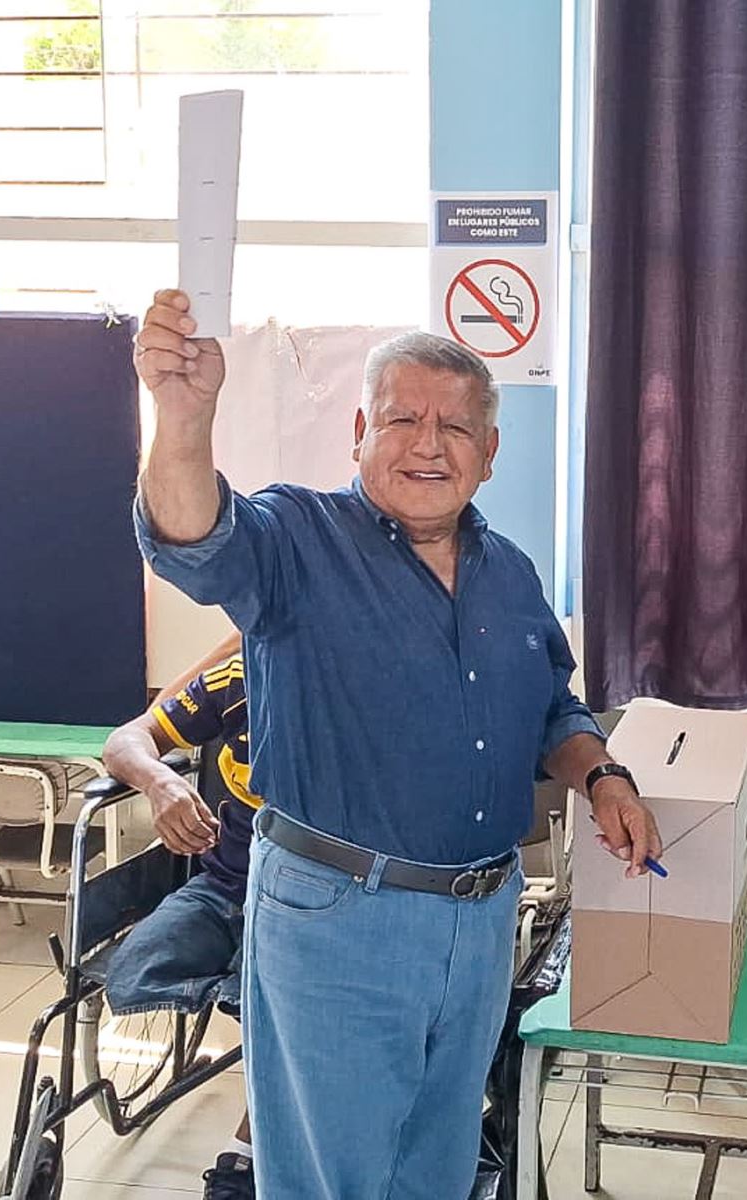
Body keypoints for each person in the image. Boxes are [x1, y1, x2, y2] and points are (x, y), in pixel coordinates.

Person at [130, 289, 662, 1199]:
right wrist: (183, 417)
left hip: (483, 913)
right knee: (333, 1175)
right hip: (338, 912)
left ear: (489, 455)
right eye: (403, 418)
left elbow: (551, 710)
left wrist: (602, 774)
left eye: (456, 427)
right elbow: (193, 536)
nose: (428, 444)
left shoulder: (510, 573)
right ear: (359, 430)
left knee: (440, 1161)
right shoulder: (297, 539)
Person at [101, 634, 255, 1199]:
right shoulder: (232, 679)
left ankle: (247, 1151)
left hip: (318, 903)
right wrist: (160, 780)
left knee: (284, 1000)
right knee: (133, 967)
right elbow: (127, 739)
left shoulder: (366, 685)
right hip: (222, 887)